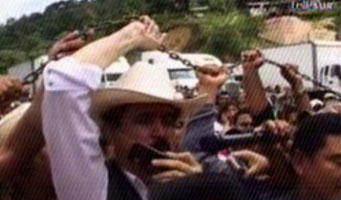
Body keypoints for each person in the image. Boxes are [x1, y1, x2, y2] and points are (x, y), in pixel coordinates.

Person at [42, 16, 206, 200]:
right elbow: (64, 84)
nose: (160, 132)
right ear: (111, 132)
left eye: (168, 120)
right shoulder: (95, 188)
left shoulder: (193, 184)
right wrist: (132, 35)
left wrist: (204, 190)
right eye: (144, 120)